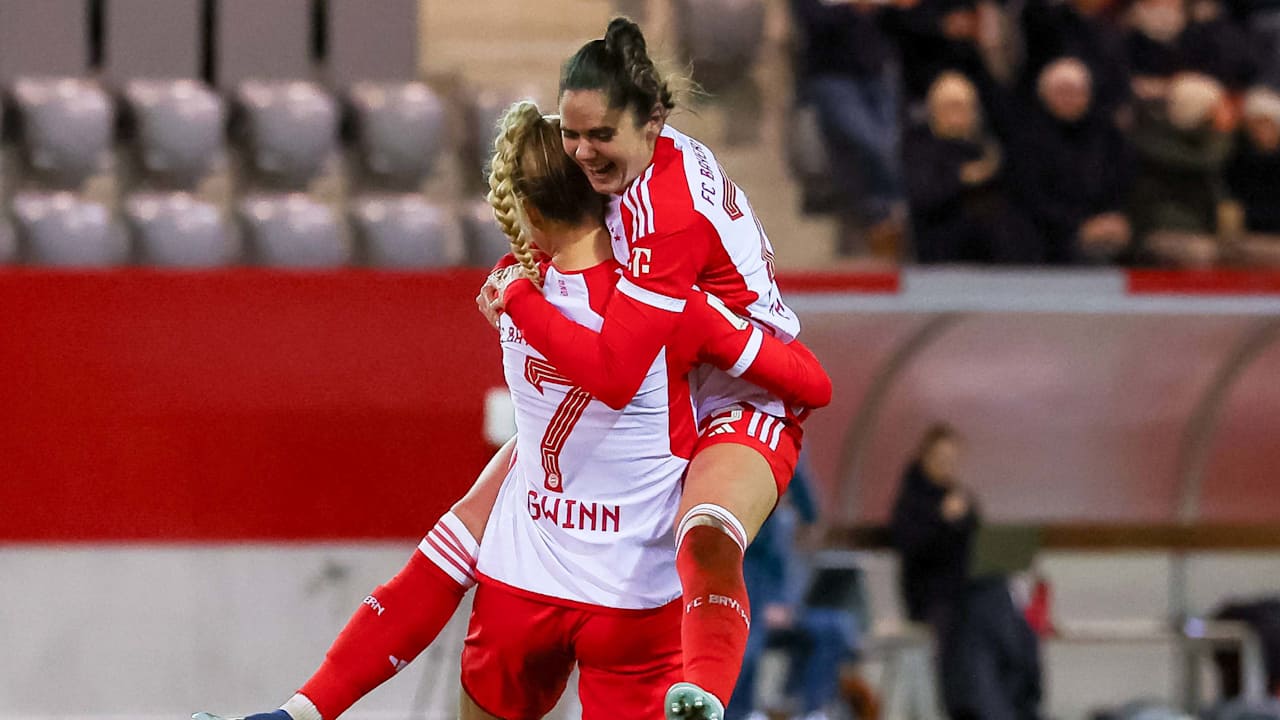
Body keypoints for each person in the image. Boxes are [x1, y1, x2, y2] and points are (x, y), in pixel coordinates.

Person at [193, 99, 829, 720]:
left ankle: (296, 712)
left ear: (525, 209)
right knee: (709, 533)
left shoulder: (508, 286)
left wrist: (524, 298)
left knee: (448, 548)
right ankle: (710, 692)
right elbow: (807, 382)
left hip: (524, 583)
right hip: (632, 596)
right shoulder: (670, 307)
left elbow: (573, 343)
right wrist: (743, 340)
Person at [481, 17, 831, 719]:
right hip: (683, 378)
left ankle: (702, 692)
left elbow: (611, 376)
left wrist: (518, 297)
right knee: (478, 517)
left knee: (705, 533)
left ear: (653, 121)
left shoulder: (663, 217)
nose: (579, 152)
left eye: (599, 135)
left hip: (743, 398)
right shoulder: (643, 164)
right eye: (570, 132)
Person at [902, 71, 1040, 263]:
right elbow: (922, 197)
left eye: (965, 107)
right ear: (934, 110)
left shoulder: (985, 146)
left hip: (995, 250)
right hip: (943, 241)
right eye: (952, 106)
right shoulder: (919, 147)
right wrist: (961, 178)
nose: (959, 114)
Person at [1007, 58, 1133, 264]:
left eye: (1077, 92)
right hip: (1047, 231)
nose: (1070, 99)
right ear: (1044, 95)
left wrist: (1112, 218)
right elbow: (1029, 197)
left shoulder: (1107, 135)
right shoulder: (1028, 138)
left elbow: (1122, 182)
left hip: (1103, 224)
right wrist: (1078, 226)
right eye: (1062, 91)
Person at [1224, 86, 1280, 265]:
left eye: (1267, 123)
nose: (1262, 130)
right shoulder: (1236, 158)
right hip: (1247, 234)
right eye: (1257, 123)